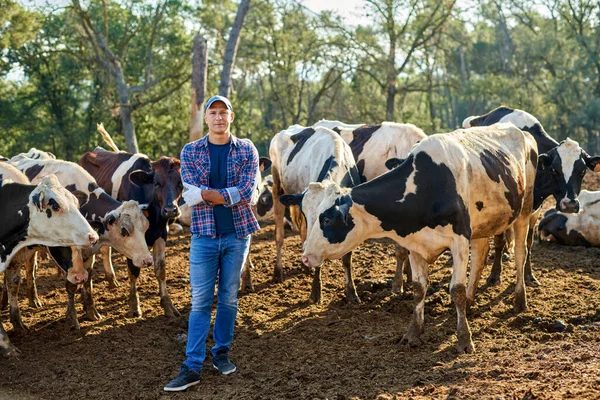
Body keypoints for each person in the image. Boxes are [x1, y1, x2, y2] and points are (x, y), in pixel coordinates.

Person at [164, 95, 261, 392]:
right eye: (213, 112)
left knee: (229, 297)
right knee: (201, 301)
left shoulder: (247, 149)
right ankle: (192, 366)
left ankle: (221, 352)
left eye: (223, 112)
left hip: (237, 234)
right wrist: (222, 195)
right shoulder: (191, 151)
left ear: (232, 117)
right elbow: (190, 190)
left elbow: (246, 191)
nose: (218, 117)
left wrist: (206, 195)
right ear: (205, 118)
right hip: (204, 237)